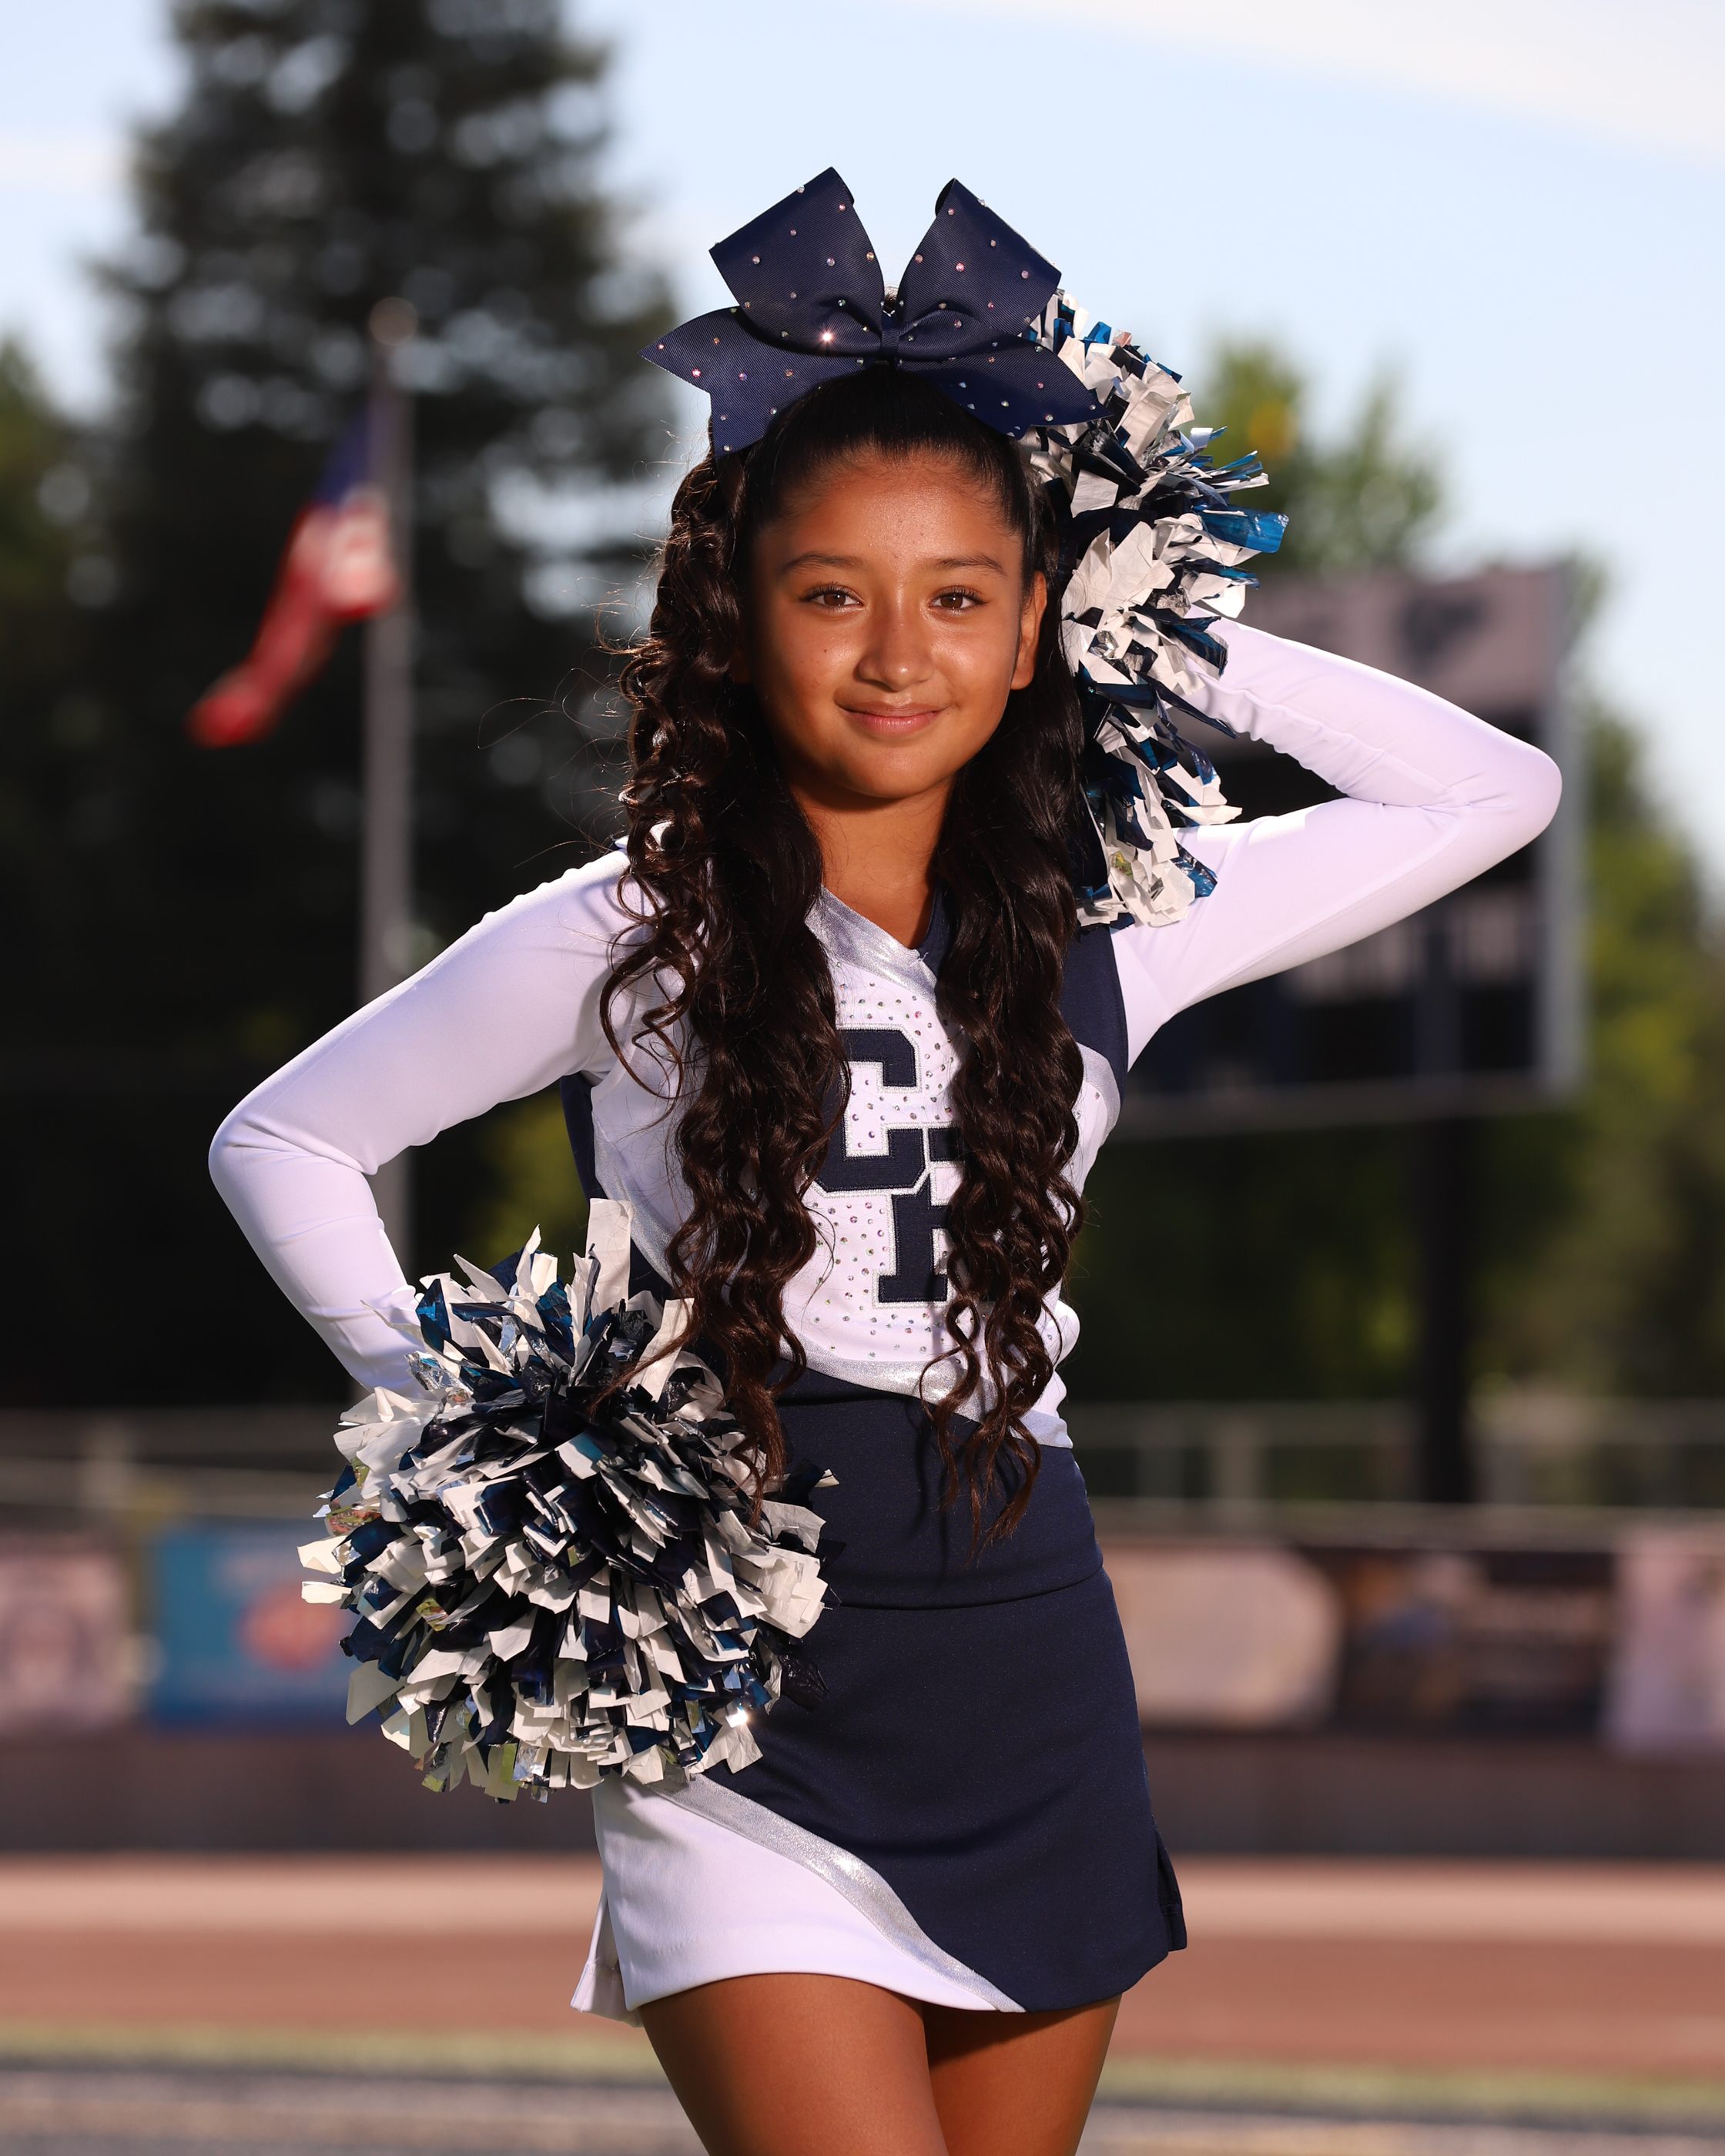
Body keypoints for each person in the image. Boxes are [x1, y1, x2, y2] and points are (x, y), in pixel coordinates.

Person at [211, 172, 1560, 2156]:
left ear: (1032, 631)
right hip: (738, 1672)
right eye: (833, 592)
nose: (896, 652)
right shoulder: (625, 929)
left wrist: (1158, 622)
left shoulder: (1123, 925)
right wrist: (480, 1430)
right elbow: (287, 1137)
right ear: (738, 618)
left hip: (1025, 1645)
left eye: (961, 597)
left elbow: (1492, 789)